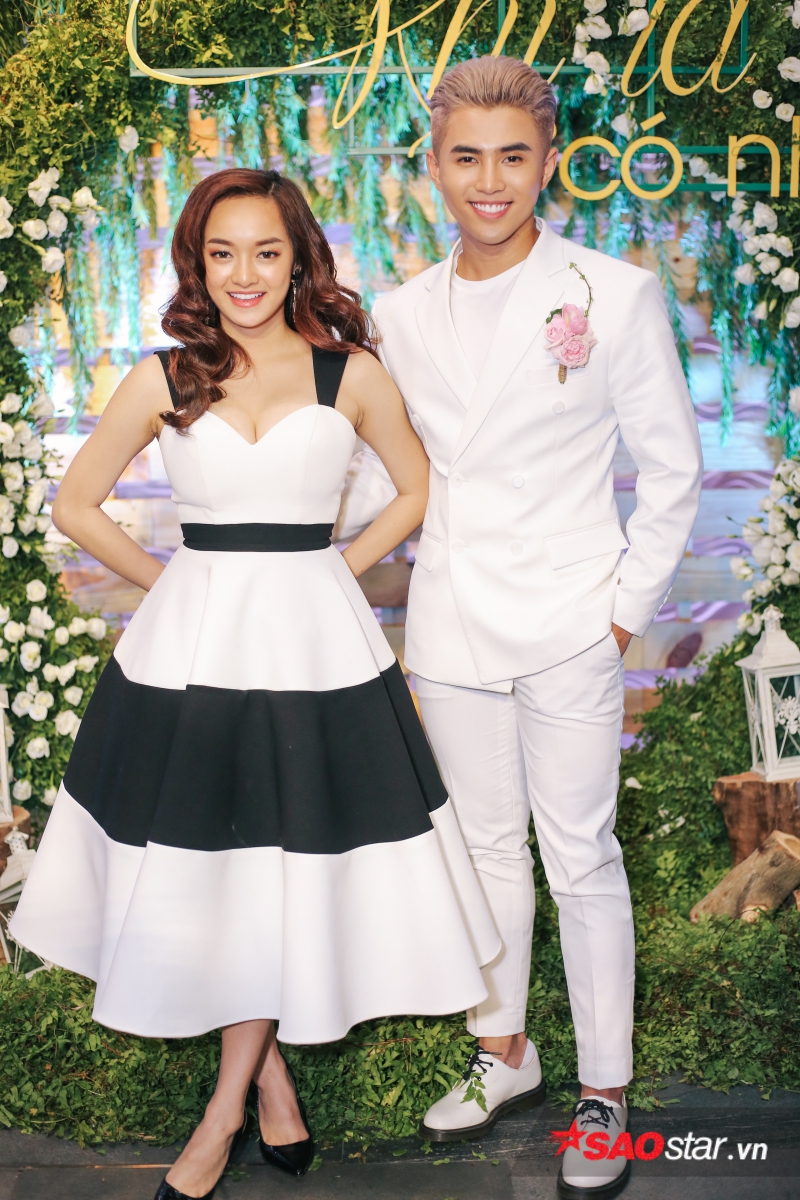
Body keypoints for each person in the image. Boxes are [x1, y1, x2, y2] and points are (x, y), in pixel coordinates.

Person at [10, 168, 499, 1200]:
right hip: (191, 657)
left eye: (266, 252)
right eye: (222, 253)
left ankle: (223, 1111)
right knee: (222, 864)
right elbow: (75, 505)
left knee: (280, 860)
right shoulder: (164, 376)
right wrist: (175, 584)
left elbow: (415, 489)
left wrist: (334, 570)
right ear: (197, 262)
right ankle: (267, 1083)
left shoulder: (349, 372)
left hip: (316, 655)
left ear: (298, 258)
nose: (245, 274)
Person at [354, 56, 702, 1199]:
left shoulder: (612, 293)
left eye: (512, 155)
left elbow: (671, 470)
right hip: (451, 621)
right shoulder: (399, 312)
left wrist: (618, 617)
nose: (489, 180)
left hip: (568, 619)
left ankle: (603, 1090)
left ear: (548, 160)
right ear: (432, 166)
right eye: (466, 157)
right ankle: (503, 1049)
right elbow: (389, 473)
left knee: (579, 855)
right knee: (482, 849)